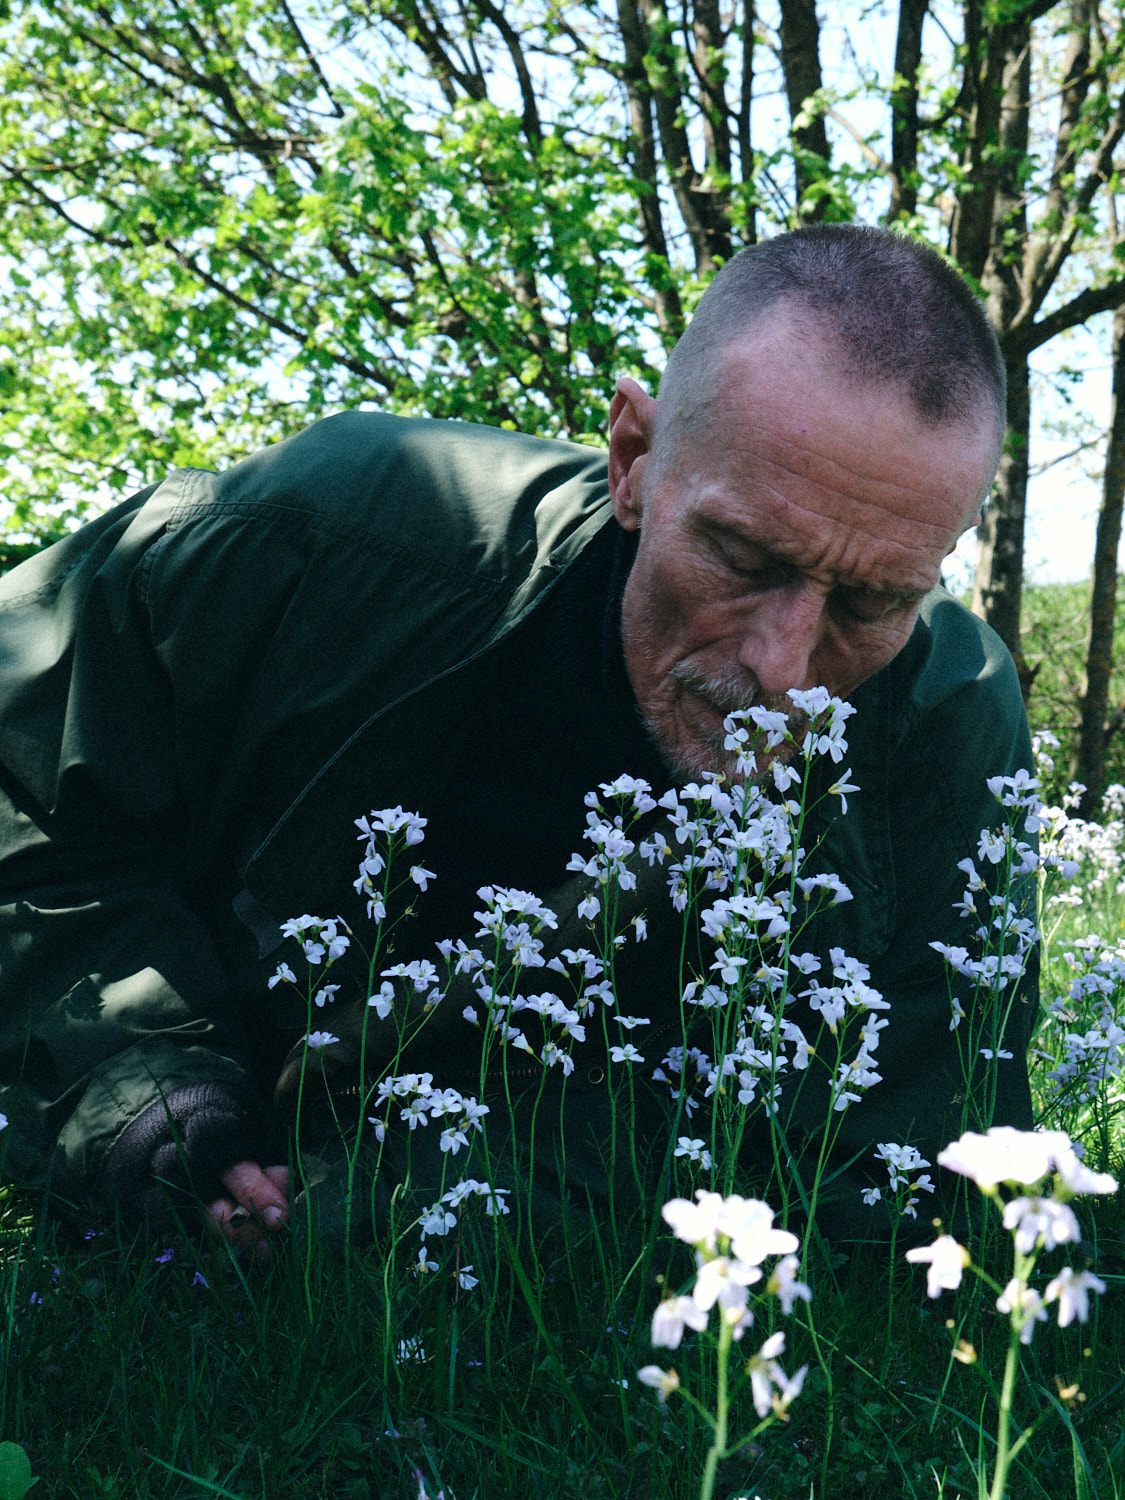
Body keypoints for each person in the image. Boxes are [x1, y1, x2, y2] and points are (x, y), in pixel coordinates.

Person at [0, 224, 1036, 1260]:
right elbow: (34, 805)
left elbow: (894, 1168)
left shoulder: (946, 721)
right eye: (743, 558)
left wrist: (393, 1209)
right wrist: (147, 1097)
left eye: (870, 602)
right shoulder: (307, 547)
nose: (782, 666)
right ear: (633, 459)